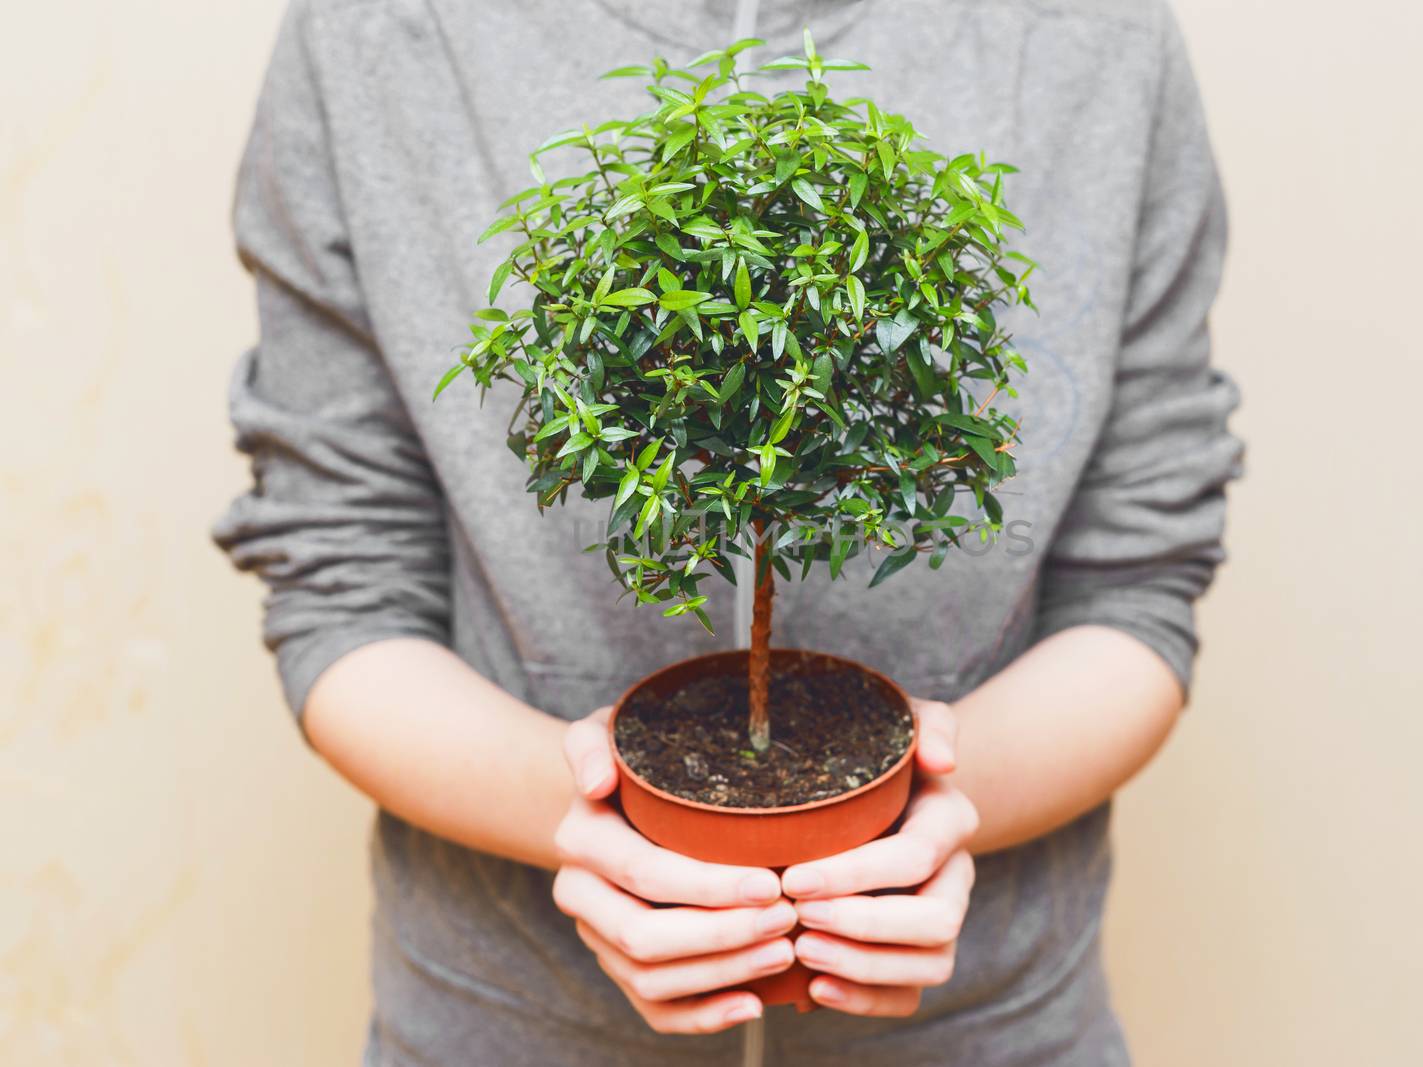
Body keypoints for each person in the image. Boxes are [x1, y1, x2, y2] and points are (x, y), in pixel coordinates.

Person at [214, 0, 1242, 1063]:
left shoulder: (1099, 34)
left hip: (995, 1030)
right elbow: (340, 582)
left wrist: (939, 806)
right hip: (506, 1027)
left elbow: (1136, 587)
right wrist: (592, 823)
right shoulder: (374, 30)